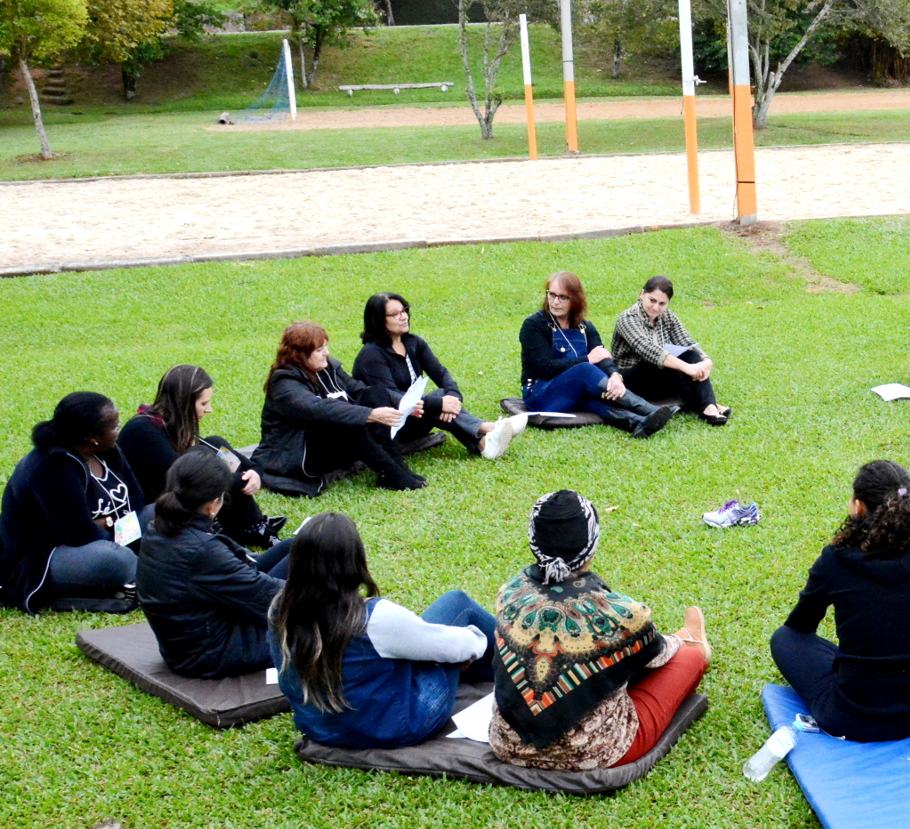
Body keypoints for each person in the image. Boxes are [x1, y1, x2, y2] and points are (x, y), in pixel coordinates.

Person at [488, 491, 712, 770]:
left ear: (535, 541)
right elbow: (657, 656)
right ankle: (690, 639)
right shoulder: (618, 612)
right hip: (594, 754)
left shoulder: (509, 591)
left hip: (507, 747)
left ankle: (685, 640)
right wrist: (677, 640)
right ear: (592, 543)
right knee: (688, 659)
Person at [770, 462, 910, 741]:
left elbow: (800, 626)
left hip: (853, 720)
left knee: (784, 638)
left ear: (858, 507)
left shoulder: (835, 559)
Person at [271, 513, 496, 750]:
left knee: (425, 645)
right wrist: (473, 641)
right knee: (457, 604)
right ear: (354, 560)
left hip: (321, 729)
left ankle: (500, 671)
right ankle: (515, 664)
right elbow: (461, 647)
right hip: (397, 727)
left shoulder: (279, 609)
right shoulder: (375, 617)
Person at [136, 450, 297, 677]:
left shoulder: (160, 525)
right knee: (317, 626)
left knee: (299, 547)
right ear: (212, 505)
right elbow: (265, 595)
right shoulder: (201, 550)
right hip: (210, 655)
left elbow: (243, 574)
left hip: (196, 636)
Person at [0, 392, 148, 611]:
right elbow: (79, 534)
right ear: (93, 437)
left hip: (108, 533)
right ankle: (155, 571)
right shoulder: (52, 468)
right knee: (116, 560)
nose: (119, 431)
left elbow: (136, 496)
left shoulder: (108, 450)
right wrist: (119, 533)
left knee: (162, 514)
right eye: (114, 427)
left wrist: (113, 525)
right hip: (41, 557)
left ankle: (152, 564)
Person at [118, 364, 283, 549]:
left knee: (214, 443)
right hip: (146, 512)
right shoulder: (144, 431)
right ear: (184, 403)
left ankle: (253, 526)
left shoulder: (168, 422)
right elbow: (193, 479)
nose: (209, 409)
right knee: (202, 456)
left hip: (173, 496)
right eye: (204, 404)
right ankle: (251, 528)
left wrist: (254, 471)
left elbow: (222, 454)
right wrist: (243, 480)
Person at [251, 322, 424, 493]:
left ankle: (395, 466)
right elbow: (317, 409)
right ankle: (391, 471)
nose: (326, 353)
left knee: (376, 393)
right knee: (341, 421)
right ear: (300, 355)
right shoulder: (284, 383)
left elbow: (359, 390)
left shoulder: (329, 368)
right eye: (319, 350)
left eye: (325, 347)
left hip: (334, 445)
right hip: (295, 454)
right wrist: (370, 414)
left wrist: (403, 405)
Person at [353, 292, 526, 461]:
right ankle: (488, 429)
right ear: (378, 320)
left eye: (404, 310)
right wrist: (439, 404)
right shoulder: (372, 355)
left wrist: (453, 397)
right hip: (387, 425)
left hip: (414, 415)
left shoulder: (413, 343)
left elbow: (441, 373)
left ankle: (484, 442)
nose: (403, 317)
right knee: (437, 401)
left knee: (442, 396)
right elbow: (392, 396)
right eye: (395, 314)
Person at [519, 271, 676, 438]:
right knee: (585, 370)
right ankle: (648, 409)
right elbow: (545, 368)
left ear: (575, 299)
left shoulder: (585, 327)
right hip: (540, 395)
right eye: (552, 294)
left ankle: (637, 423)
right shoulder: (534, 325)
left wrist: (615, 376)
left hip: (572, 394)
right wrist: (588, 359)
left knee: (596, 399)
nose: (555, 302)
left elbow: (602, 356)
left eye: (563, 297)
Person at [611, 276, 730, 425]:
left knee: (690, 354)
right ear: (642, 294)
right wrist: (686, 367)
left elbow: (687, 342)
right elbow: (648, 350)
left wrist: (706, 361)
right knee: (665, 364)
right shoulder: (628, 319)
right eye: (652, 300)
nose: (656, 307)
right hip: (630, 378)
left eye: (662, 303)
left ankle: (709, 406)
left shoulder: (668, 317)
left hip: (659, 375)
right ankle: (707, 405)